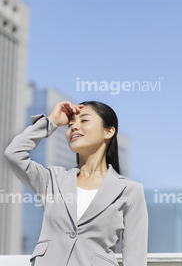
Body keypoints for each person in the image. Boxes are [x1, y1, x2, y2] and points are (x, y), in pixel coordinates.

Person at [4, 100, 148, 266]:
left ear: (109, 132)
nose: (73, 127)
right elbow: (13, 153)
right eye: (70, 124)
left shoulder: (130, 190)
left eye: (84, 120)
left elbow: (135, 258)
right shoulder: (52, 180)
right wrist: (51, 121)